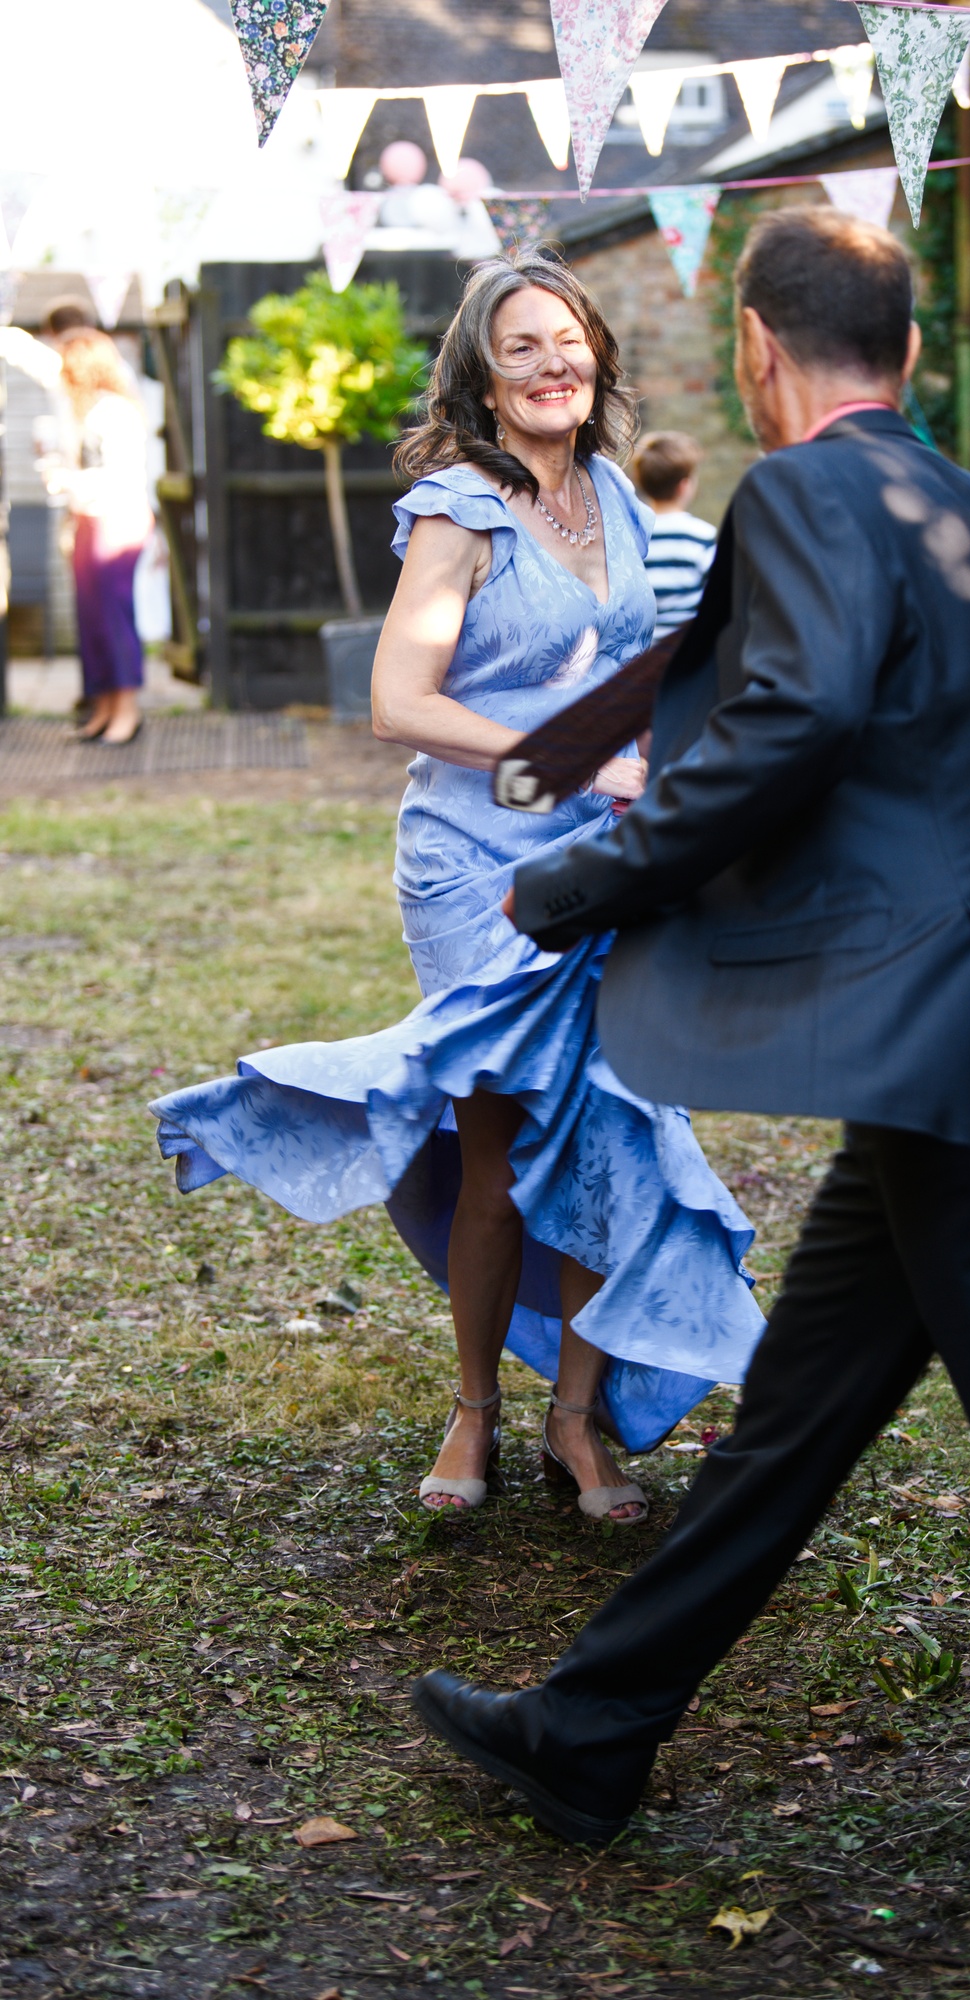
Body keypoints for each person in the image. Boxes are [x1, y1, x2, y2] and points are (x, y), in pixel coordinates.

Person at [410, 209, 970, 1999]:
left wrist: (578, 883)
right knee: (792, 1427)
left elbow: (798, 720)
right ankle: (590, 1733)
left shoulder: (802, 497)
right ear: (905, 349)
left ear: (758, 348)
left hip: (961, 1057)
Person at [150, 252, 763, 1526]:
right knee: (494, 1143)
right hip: (475, 870)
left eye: (567, 340)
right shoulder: (458, 510)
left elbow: (634, 668)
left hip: (604, 859)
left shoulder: (615, 495)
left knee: (607, 1135)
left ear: (596, 358)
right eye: (520, 347)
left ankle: (574, 1420)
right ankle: (474, 1404)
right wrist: (566, 757)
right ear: (482, 382)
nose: (551, 364)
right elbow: (398, 702)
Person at [46, 329, 154, 745]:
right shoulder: (85, 411)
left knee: (113, 617)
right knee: (91, 619)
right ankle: (104, 708)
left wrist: (69, 481)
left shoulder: (115, 412)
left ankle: (127, 711)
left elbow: (122, 477)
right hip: (90, 520)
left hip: (116, 519)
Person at [631, 431, 717, 638]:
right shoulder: (702, 537)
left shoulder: (630, 537)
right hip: (689, 650)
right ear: (684, 486)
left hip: (641, 652)